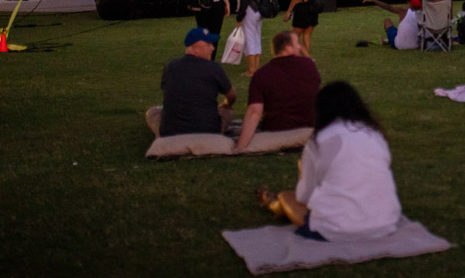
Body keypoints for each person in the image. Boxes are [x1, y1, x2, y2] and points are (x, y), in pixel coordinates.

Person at [255, 82, 402, 239]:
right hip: (385, 224)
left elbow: (304, 197)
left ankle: (272, 203)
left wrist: (302, 173)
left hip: (336, 230)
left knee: (287, 197)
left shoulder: (319, 141)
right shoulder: (375, 135)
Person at [234, 31, 321, 153]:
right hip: (308, 127)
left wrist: (240, 147)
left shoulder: (262, 74)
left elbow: (254, 112)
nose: (300, 47)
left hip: (275, 130)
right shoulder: (309, 65)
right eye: (297, 44)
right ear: (288, 47)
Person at [148, 27, 236, 137]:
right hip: (208, 130)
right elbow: (232, 95)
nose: (212, 48)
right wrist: (226, 105)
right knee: (227, 112)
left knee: (153, 112)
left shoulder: (171, 66)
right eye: (208, 45)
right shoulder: (214, 68)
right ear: (195, 48)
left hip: (172, 131)